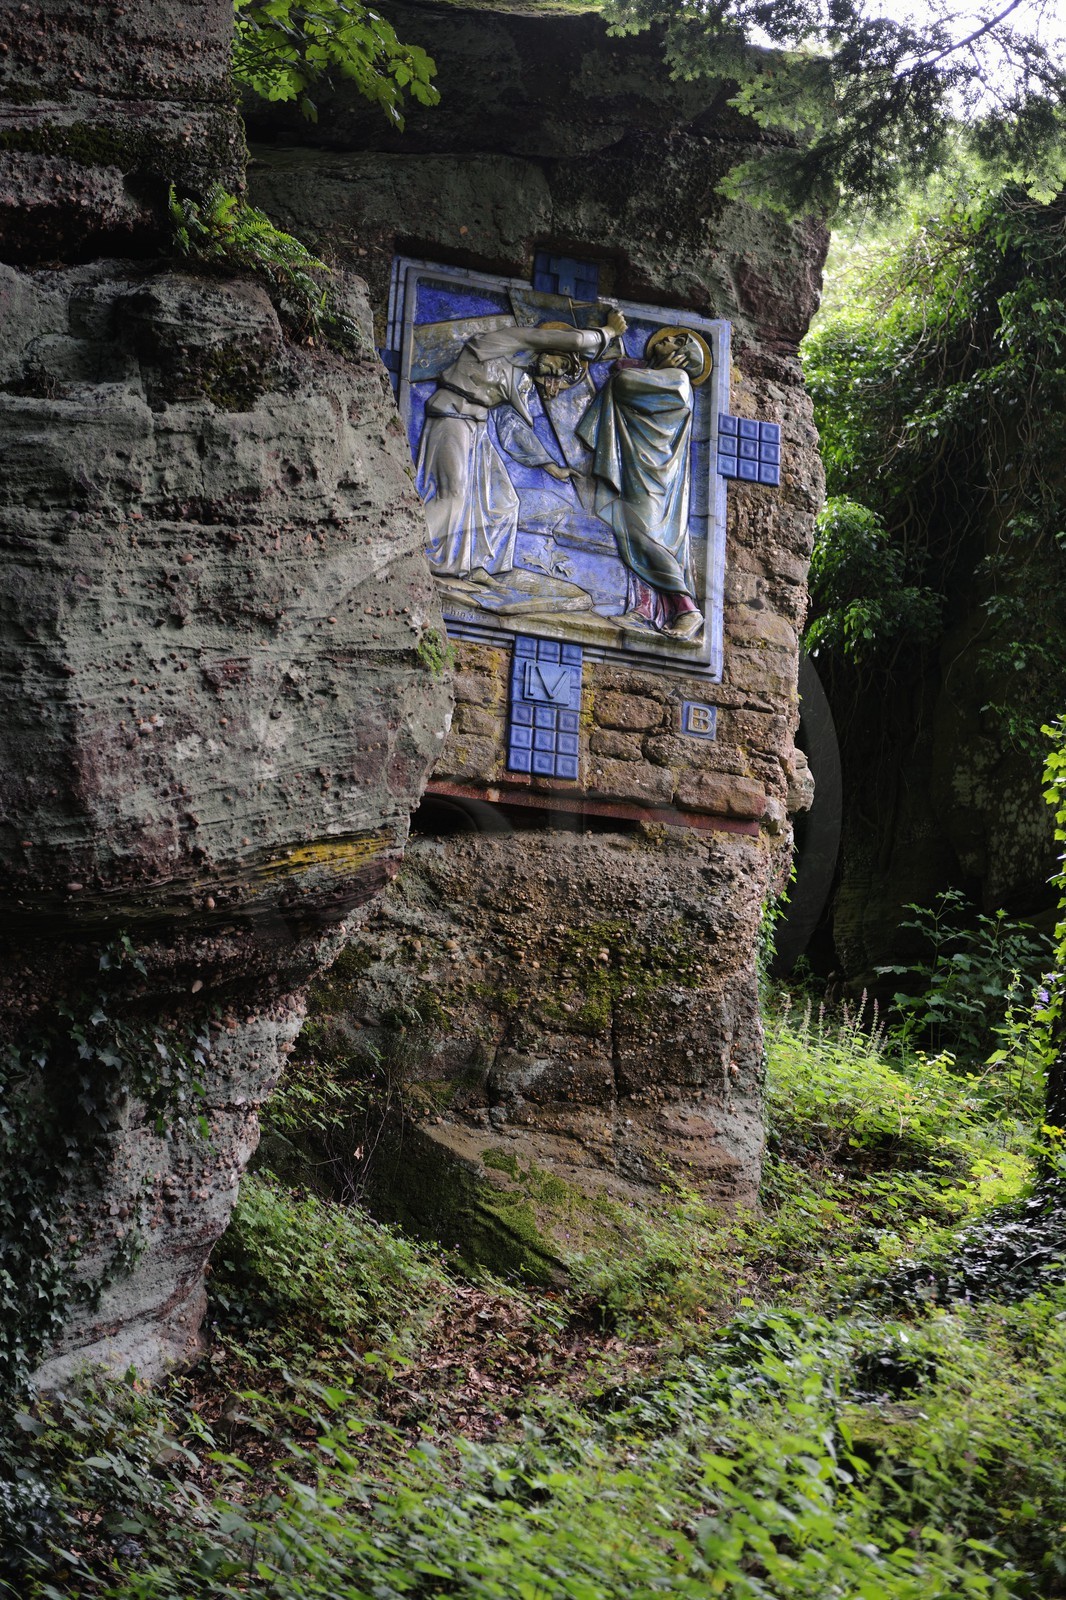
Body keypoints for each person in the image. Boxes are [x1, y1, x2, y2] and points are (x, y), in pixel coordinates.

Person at [416, 311, 627, 579]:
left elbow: (511, 427)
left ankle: (474, 566)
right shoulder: (506, 341)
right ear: (551, 346)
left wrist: (551, 467)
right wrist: (608, 331)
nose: (557, 374)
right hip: (451, 419)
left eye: (562, 375)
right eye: (560, 363)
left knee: (505, 502)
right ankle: (404, 549)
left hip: (476, 431)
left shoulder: (518, 379)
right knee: (452, 497)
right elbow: (573, 341)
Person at [576, 328, 706, 639]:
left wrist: (631, 369)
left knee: (646, 537)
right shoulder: (661, 375)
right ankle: (645, 608)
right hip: (635, 466)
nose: (668, 339)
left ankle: (687, 608)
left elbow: (624, 385)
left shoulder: (678, 381)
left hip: (656, 476)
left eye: (676, 341)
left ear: (682, 357)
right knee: (629, 537)